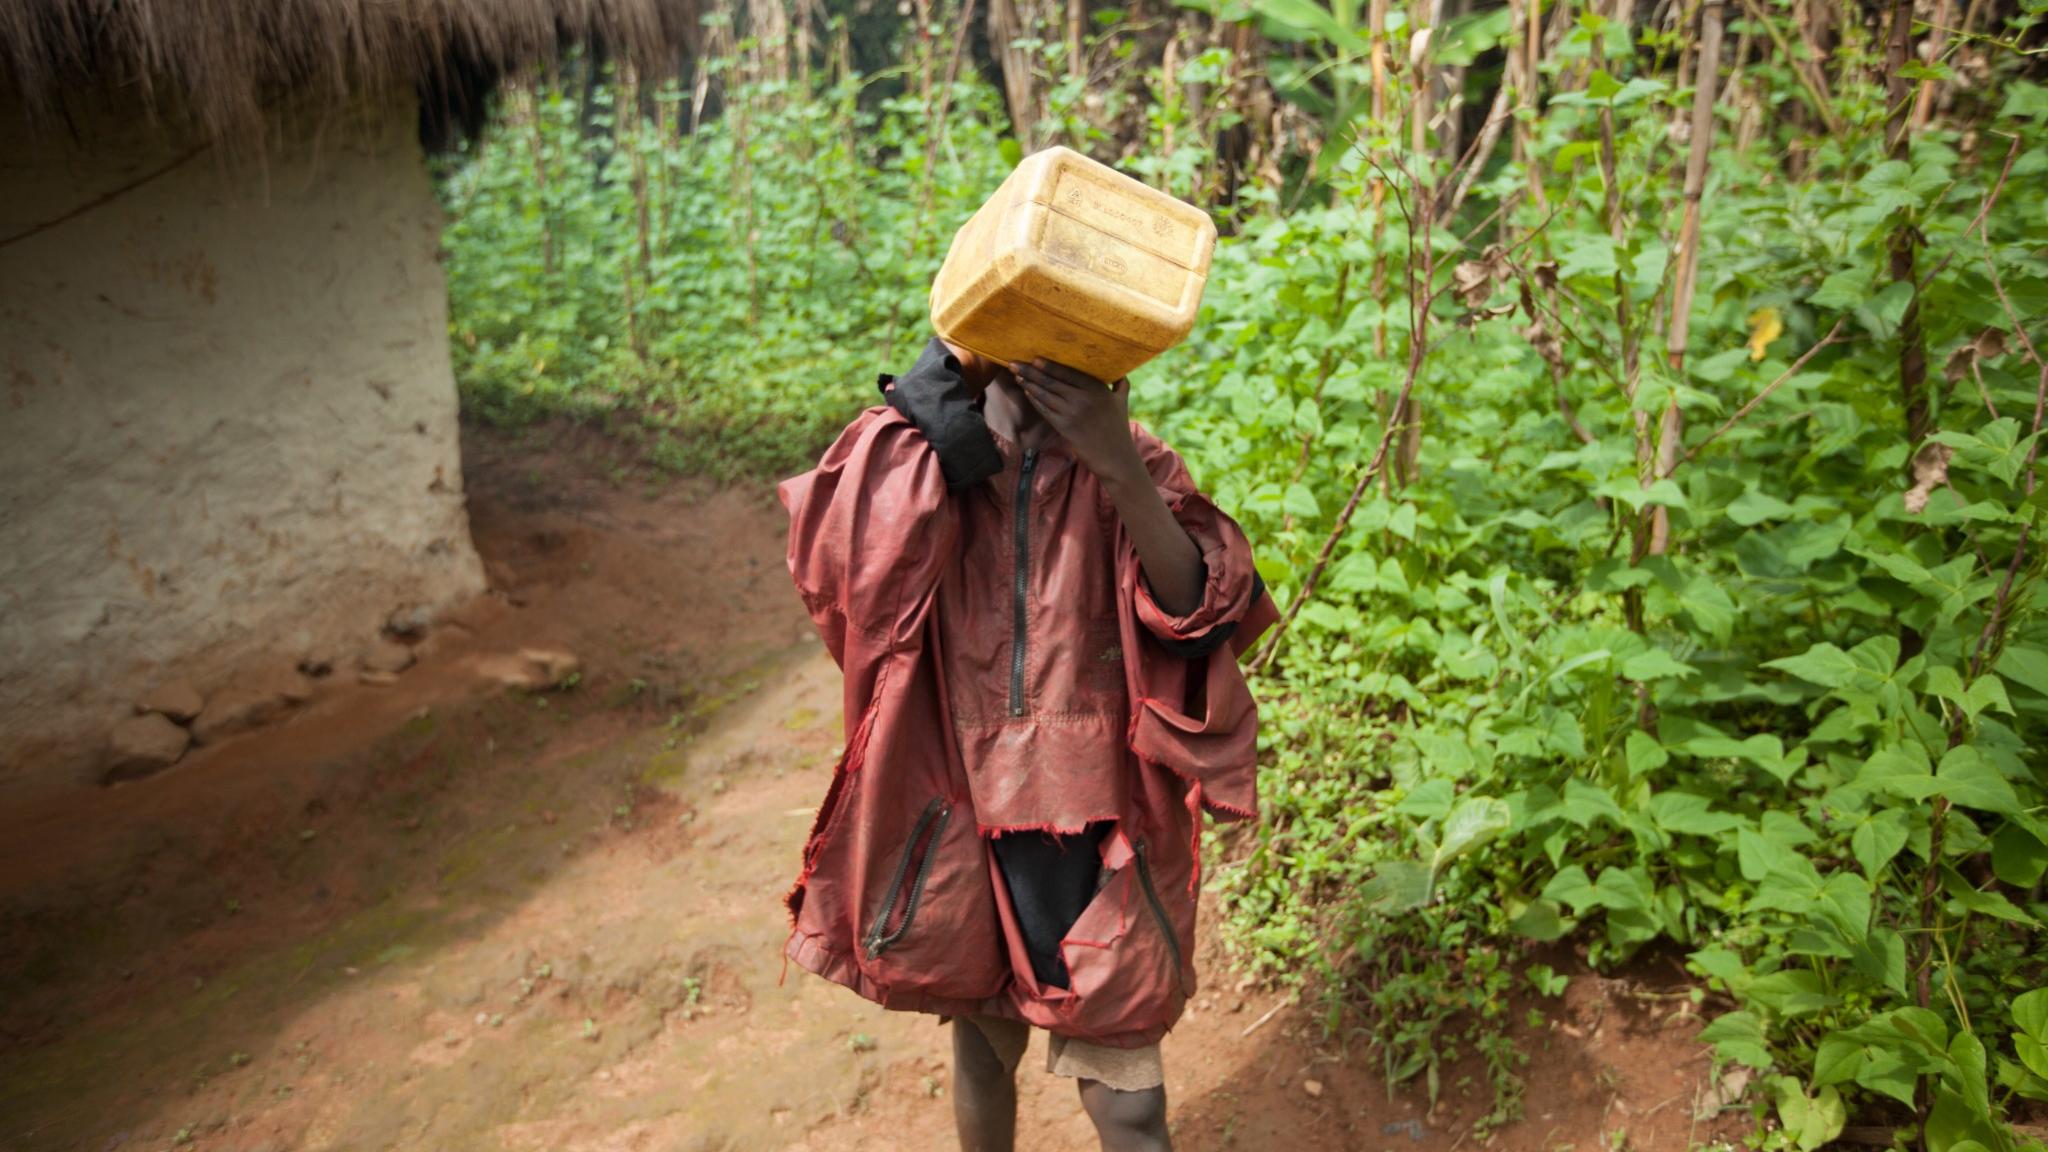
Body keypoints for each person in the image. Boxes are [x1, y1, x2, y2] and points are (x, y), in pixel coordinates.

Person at [777, 336, 1273, 1152]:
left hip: (1100, 827)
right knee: (982, 1045)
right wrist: (930, 410)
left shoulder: (1136, 462)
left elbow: (1200, 610)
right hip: (959, 815)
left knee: (1129, 1104)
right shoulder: (923, 461)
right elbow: (846, 576)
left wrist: (1114, 460)